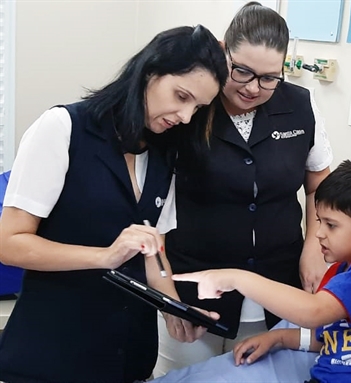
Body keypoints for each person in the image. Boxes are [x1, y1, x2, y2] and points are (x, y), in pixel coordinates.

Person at [0, 25, 228, 383]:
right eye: (181, 96)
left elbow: (154, 251)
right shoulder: (63, 128)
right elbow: (10, 243)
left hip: (128, 356)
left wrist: (172, 309)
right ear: (149, 72)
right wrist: (103, 257)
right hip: (52, 352)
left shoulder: (163, 151)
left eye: (198, 108)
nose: (185, 116)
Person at [155, 1, 333, 374]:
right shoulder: (190, 107)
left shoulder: (300, 106)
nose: (254, 88)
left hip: (276, 285)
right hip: (194, 288)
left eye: (269, 77)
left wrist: (313, 247)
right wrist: (167, 297)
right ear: (224, 51)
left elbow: (319, 184)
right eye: (243, 72)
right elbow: (152, 211)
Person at [172, 155, 351, 382]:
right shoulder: (342, 272)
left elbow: (313, 312)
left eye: (331, 225)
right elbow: (327, 337)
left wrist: (237, 278)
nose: (319, 234)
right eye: (318, 222)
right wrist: (279, 338)